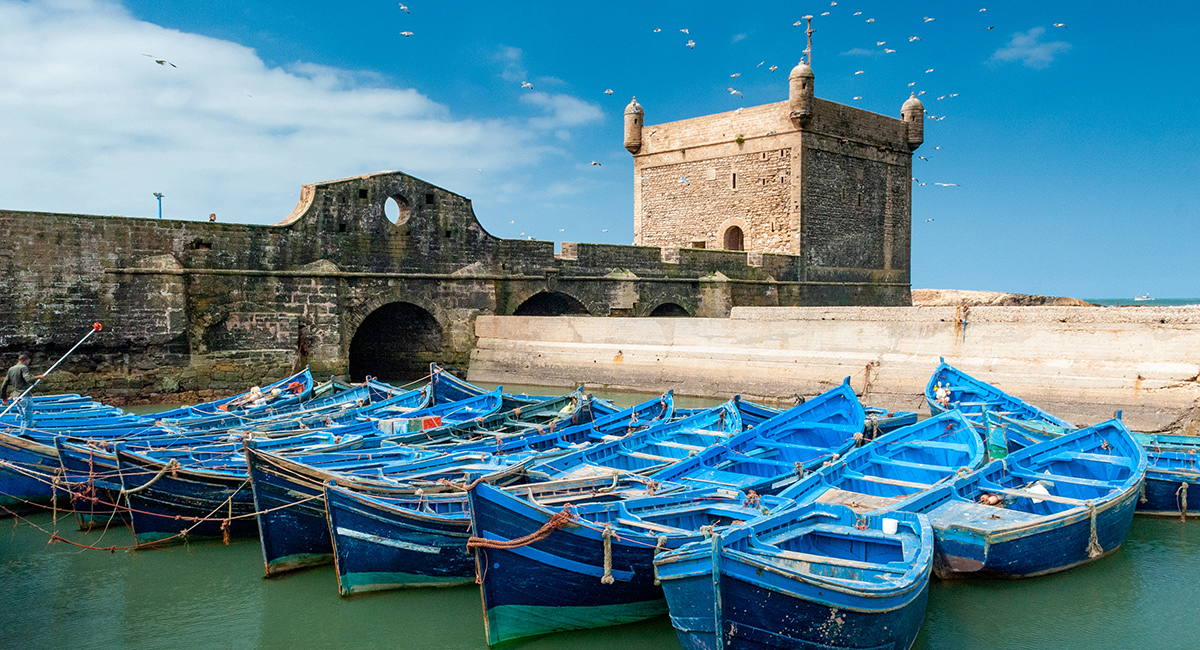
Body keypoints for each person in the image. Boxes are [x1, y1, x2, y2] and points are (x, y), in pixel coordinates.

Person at [0, 352, 44, 429]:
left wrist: (4, 397)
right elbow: (28, 379)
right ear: (25, 361)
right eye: (28, 362)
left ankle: (21, 433)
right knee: (28, 419)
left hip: (16, 397)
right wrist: (38, 377)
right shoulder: (23, 368)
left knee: (23, 418)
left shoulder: (11, 369)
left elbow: (4, 385)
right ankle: (24, 436)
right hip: (24, 396)